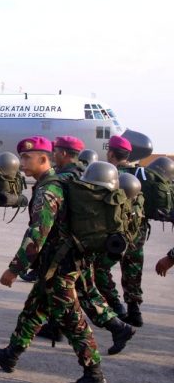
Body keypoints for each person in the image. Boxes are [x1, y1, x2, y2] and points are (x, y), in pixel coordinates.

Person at [0, 136, 107, 383]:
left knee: (72, 320)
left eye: (28, 157)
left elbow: (38, 234)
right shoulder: (54, 183)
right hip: (54, 264)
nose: (22, 162)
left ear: (44, 158)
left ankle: (94, 376)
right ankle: (10, 355)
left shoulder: (49, 189)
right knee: (34, 311)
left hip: (60, 267)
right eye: (22, 157)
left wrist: (14, 269)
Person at [50, 136, 135, 354]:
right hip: (85, 247)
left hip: (69, 248)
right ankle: (118, 328)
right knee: (85, 292)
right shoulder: (82, 175)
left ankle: (91, 359)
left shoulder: (66, 180)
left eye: (56, 151)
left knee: (70, 294)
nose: (53, 155)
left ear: (64, 153)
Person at [95, 135, 146, 326]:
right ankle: (134, 310)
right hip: (137, 231)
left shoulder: (108, 175)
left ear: (111, 153)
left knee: (99, 268)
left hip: (114, 234)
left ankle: (116, 306)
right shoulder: (140, 174)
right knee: (133, 269)